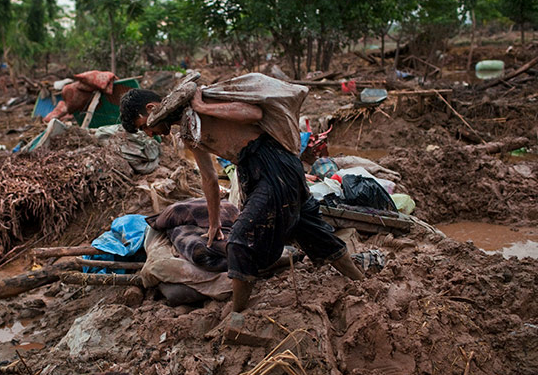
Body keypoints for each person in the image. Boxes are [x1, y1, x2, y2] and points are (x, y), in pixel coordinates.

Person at [120, 73, 364, 312]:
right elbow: (209, 177)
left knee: (239, 240)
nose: (149, 134)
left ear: (152, 109)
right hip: (257, 169)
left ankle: (238, 315)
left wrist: (204, 107)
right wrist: (214, 223)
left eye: (145, 128)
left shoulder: (202, 102)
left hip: (272, 163)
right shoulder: (189, 128)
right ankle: (362, 283)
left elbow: (253, 113)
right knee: (309, 227)